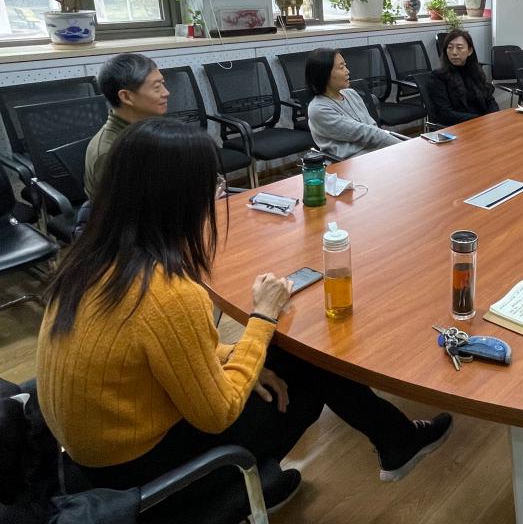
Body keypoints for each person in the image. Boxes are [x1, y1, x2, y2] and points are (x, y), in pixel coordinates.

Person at [36, 119, 452, 515]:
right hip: (140, 471)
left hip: (95, 452)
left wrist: (237, 357)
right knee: (305, 368)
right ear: (182, 198)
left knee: (284, 357)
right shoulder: (166, 293)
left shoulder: (88, 260)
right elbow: (218, 413)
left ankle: (394, 439)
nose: (218, 197)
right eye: (214, 186)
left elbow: (166, 355)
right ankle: (243, 487)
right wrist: (261, 318)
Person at [84, 53, 168, 200]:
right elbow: (129, 208)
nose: (166, 92)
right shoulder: (110, 153)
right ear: (126, 97)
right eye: (156, 87)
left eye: (163, 83)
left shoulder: (148, 126)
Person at [306, 48, 402, 160]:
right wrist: (403, 146)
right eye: (341, 67)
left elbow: (372, 128)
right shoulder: (318, 109)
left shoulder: (351, 93)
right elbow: (365, 133)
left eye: (345, 66)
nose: (347, 71)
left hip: (374, 153)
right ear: (324, 74)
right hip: (349, 163)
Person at [426, 29, 499, 125]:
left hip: (482, 124)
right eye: (450, 48)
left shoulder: (475, 71)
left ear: (470, 51)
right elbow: (445, 113)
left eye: (459, 48)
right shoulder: (437, 77)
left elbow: (490, 100)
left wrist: (494, 117)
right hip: (457, 127)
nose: (454, 52)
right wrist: (480, 120)